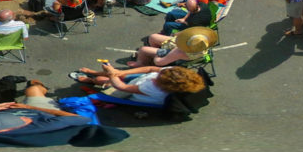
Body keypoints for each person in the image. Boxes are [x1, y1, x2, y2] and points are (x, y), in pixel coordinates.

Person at [69, 64, 205, 105]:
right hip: (142, 79)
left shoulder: (152, 88)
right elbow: (150, 69)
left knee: (103, 80)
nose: (160, 74)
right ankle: (94, 74)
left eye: (160, 77)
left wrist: (111, 74)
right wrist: (121, 71)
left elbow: (122, 87)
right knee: (118, 74)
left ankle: (92, 80)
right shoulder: (171, 74)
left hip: (134, 91)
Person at [124, 26, 218, 67]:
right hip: (174, 46)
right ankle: (147, 56)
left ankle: (142, 63)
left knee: (143, 49)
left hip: (170, 54)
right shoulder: (202, 43)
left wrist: (155, 54)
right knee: (153, 37)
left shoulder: (180, 52)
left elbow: (160, 62)